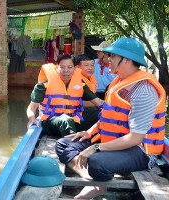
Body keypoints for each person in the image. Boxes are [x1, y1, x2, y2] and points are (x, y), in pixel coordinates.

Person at [56, 38, 166, 199]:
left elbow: (135, 138)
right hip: (114, 139)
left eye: (112, 56)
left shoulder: (144, 90)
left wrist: (95, 147)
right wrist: (89, 131)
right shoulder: (118, 81)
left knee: (96, 160)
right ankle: (92, 179)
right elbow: (111, 115)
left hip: (139, 150)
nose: (108, 60)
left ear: (126, 60)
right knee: (64, 144)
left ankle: (98, 184)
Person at [26, 54, 103, 138]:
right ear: (57, 68)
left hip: (74, 119)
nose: (66, 70)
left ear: (75, 68)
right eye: (62, 67)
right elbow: (32, 107)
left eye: (70, 67)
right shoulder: (43, 85)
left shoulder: (81, 84)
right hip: (51, 122)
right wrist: (31, 118)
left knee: (100, 113)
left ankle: (99, 139)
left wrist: (116, 109)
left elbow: (98, 102)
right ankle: (70, 144)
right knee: (65, 120)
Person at [74, 54, 102, 132]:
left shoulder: (90, 78)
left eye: (92, 65)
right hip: (75, 116)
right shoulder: (76, 80)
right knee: (103, 113)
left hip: (85, 112)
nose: (90, 68)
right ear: (77, 67)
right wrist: (95, 103)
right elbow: (75, 102)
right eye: (86, 65)